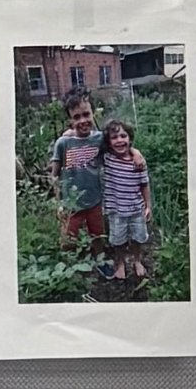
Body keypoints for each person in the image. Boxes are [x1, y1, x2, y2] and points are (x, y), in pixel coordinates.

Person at [45, 93, 109, 275]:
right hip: (71, 204)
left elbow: (122, 146)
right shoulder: (63, 143)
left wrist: (136, 155)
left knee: (98, 235)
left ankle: (100, 261)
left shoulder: (100, 139)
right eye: (76, 117)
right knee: (68, 240)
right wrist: (59, 203)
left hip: (94, 200)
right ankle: (69, 270)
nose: (82, 121)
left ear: (93, 113)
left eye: (86, 114)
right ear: (70, 120)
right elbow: (54, 176)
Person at [98, 117, 157, 294]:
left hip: (136, 209)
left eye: (123, 136)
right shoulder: (107, 158)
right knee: (118, 240)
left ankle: (137, 260)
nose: (119, 140)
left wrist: (148, 206)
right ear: (108, 142)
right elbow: (91, 139)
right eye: (114, 137)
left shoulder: (138, 162)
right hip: (116, 210)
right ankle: (121, 262)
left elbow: (144, 185)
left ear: (130, 138)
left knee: (138, 238)